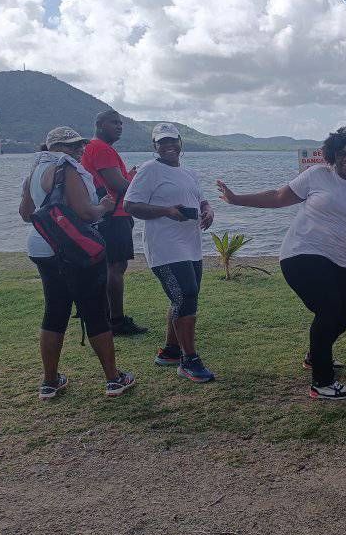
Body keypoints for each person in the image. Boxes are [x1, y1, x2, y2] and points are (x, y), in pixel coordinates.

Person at [216, 127, 346, 400]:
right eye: (340, 154)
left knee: (343, 317)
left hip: (339, 258)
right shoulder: (318, 175)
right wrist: (236, 199)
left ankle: (315, 355)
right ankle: (322, 382)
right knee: (329, 312)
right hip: (301, 252)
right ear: (331, 155)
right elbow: (278, 196)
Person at [20, 127, 136, 400]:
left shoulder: (33, 171)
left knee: (55, 310)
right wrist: (105, 207)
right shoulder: (66, 169)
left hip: (41, 246)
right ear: (57, 148)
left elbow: (26, 214)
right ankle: (113, 378)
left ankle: (49, 382)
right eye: (72, 146)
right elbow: (85, 212)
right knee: (94, 310)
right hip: (73, 249)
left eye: (80, 146)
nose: (79, 150)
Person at [123, 122, 215, 383]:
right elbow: (130, 204)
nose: (168, 146)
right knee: (185, 295)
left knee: (184, 297)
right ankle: (189, 361)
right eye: (162, 142)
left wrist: (208, 210)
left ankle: (170, 351)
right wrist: (165, 211)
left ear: (180, 143)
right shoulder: (149, 170)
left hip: (191, 245)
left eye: (172, 141)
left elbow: (201, 199)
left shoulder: (188, 173)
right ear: (155, 146)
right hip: (164, 246)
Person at [81, 108, 147, 336]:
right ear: (100, 125)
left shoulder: (93, 148)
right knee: (116, 267)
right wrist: (135, 183)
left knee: (110, 266)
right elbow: (119, 185)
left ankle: (106, 316)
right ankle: (116, 320)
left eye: (120, 123)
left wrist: (128, 177)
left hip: (106, 215)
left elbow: (111, 181)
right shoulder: (102, 149)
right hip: (114, 215)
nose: (119, 126)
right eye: (114, 123)